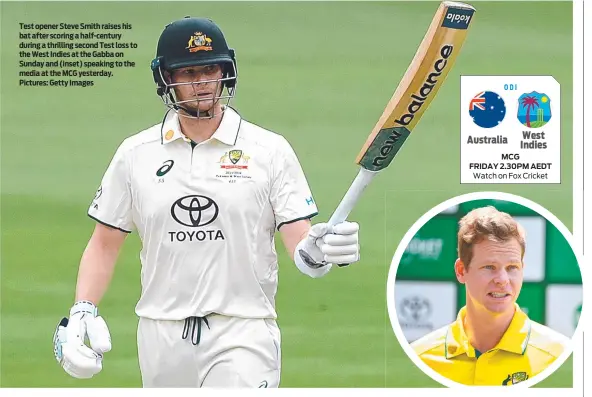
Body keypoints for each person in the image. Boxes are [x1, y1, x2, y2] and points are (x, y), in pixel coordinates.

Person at [52, 16, 361, 388]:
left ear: (225, 72)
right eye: (189, 72)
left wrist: (319, 252)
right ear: (166, 79)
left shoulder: (269, 150)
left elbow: (299, 240)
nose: (202, 83)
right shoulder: (136, 154)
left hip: (243, 332)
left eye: (210, 69)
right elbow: (104, 243)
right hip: (160, 333)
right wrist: (83, 309)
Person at [411, 206, 569, 386]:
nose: (502, 280)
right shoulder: (420, 357)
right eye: (489, 267)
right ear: (461, 271)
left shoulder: (560, 356)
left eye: (512, 268)